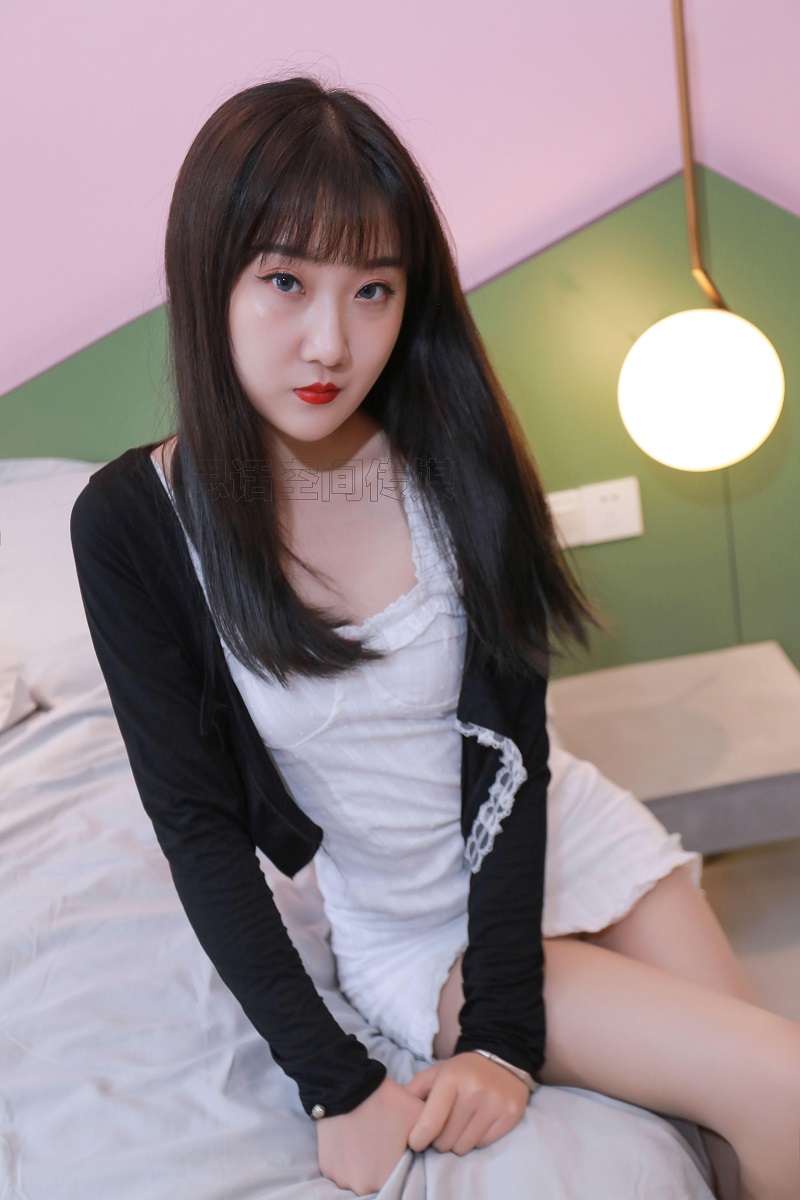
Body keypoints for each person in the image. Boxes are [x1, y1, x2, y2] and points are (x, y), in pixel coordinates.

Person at [70, 77, 800, 1200]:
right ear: (206, 274)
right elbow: (198, 832)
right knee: (780, 1084)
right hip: (420, 928)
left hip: (564, 836)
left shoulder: (451, 457)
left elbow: (518, 749)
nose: (330, 342)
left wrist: (504, 1040)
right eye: (284, 281)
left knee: (761, 1115)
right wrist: (338, 1084)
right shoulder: (134, 525)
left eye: (373, 288)